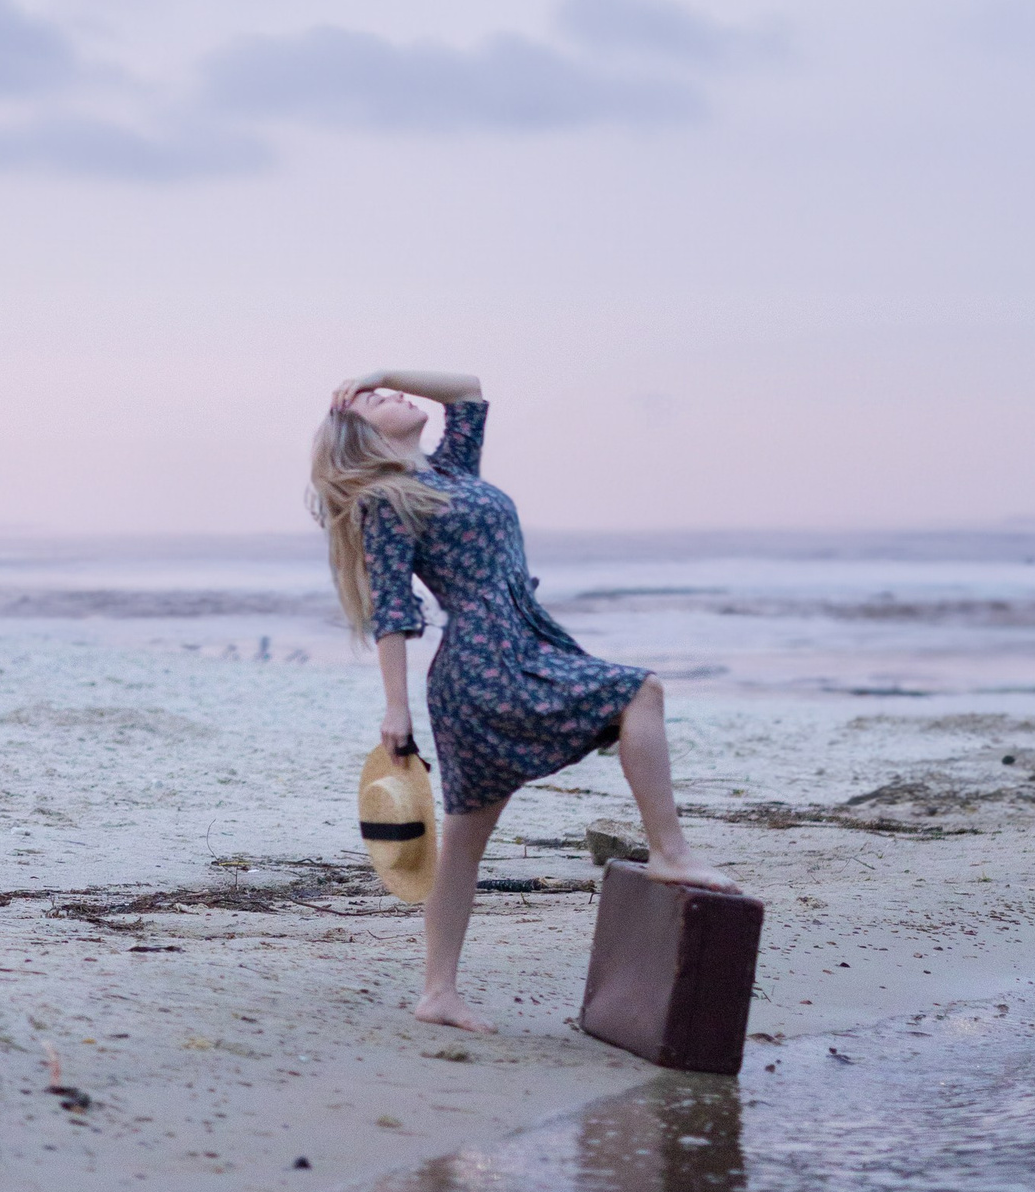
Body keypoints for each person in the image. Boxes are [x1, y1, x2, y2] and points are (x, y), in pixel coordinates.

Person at [308, 367, 736, 1033]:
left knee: (466, 837)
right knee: (641, 692)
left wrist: (385, 369)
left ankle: (437, 992)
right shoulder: (386, 499)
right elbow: (392, 608)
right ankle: (669, 850)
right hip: (485, 661)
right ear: (359, 435)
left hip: (522, 642)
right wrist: (396, 709)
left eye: (389, 389)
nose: (395, 395)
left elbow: (468, 389)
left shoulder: (451, 470)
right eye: (376, 399)